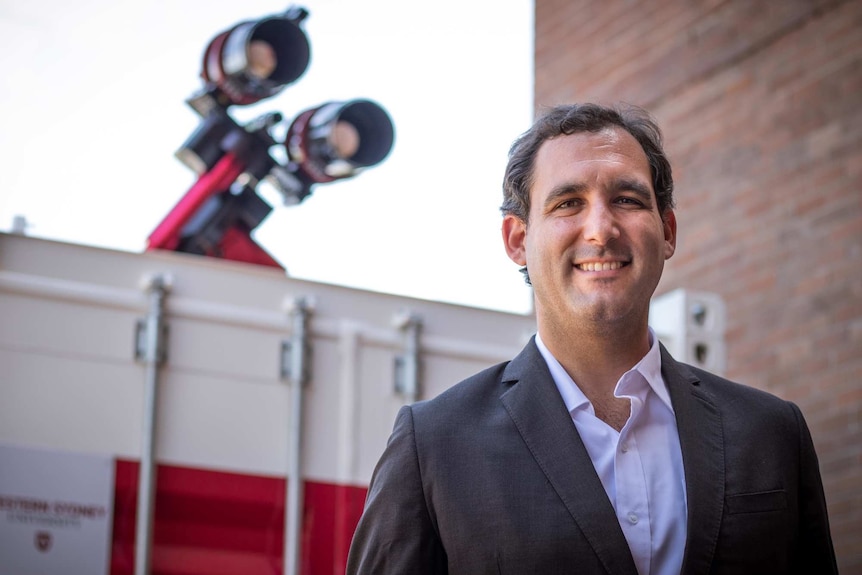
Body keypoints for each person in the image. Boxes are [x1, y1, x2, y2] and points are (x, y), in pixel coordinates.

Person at [345, 103, 838, 574]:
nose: (600, 229)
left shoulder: (772, 433)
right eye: (567, 203)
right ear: (518, 240)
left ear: (667, 231)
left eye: (627, 199)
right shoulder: (433, 446)